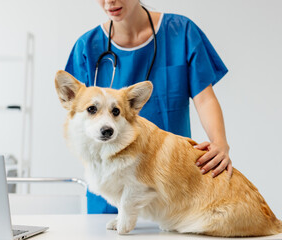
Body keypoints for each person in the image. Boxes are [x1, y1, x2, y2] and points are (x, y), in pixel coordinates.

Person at [65, 0, 232, 214]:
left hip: (167, 184)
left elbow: (204, 98)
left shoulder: (181, 33)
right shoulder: (88, 46)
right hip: (110, 188)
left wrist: (220, 143)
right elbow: (77, 115)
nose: (109, 2)